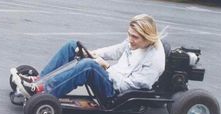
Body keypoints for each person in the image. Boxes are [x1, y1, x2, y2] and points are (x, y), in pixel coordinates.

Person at [11, 14, 165, 104]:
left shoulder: (154, 61)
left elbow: (128, 87)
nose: (130, 39)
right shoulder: (136, 42)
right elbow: (117, 50)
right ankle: (38, 81)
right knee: (73, 46)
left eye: (134, 37)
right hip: (112, 77)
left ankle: (43, 91)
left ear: (147, 37)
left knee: (88, 66)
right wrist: (92, 53)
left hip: (116, 93)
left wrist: (106, 67)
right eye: (129, 34)